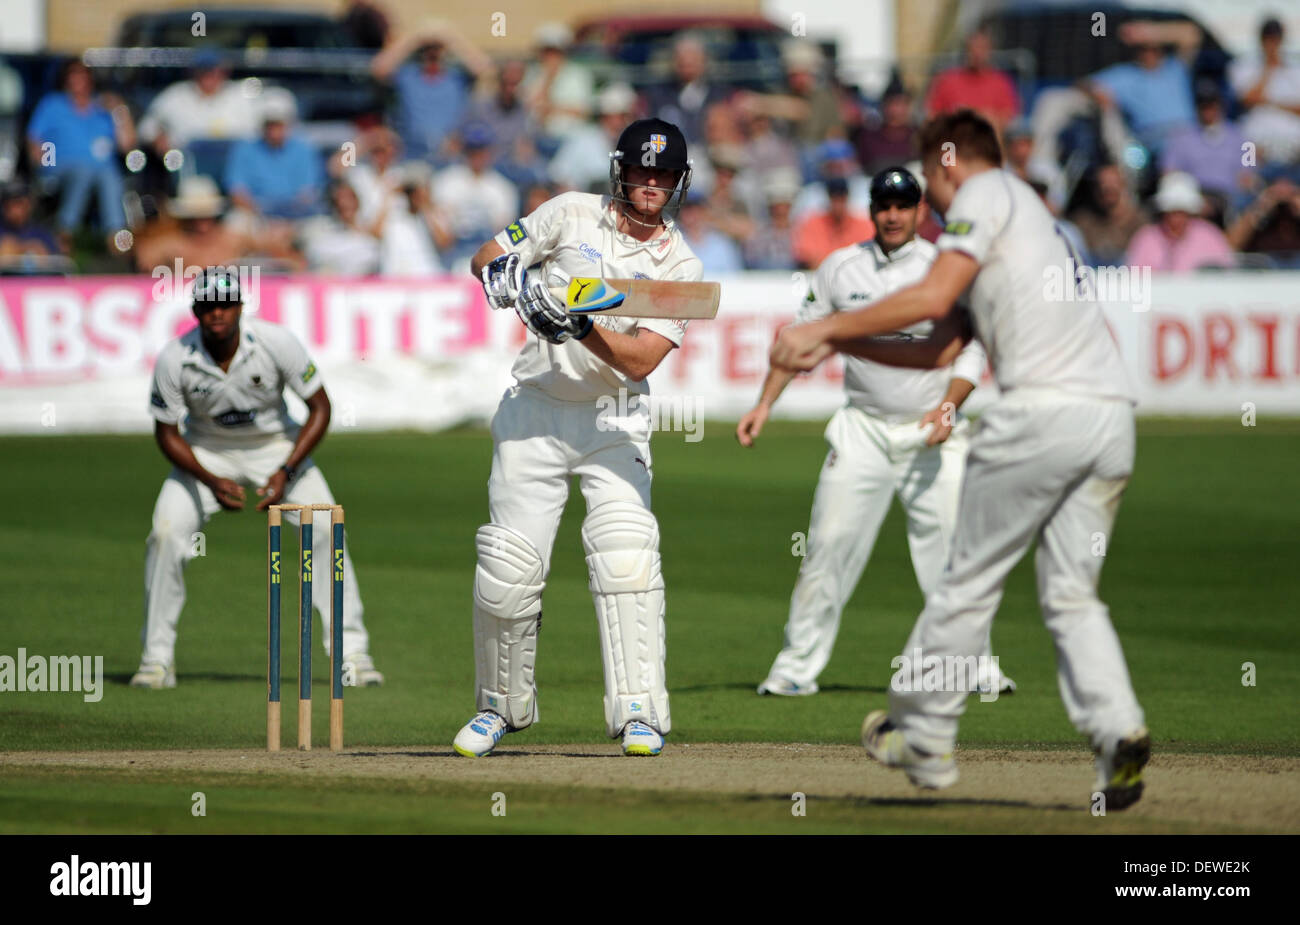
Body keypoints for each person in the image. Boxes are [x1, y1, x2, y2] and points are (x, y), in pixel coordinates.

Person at [770, 110, 1149, 810]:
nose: (928, 198)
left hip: (1040, 414)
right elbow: (936, 347)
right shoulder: (1034, 222)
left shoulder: (986, 192)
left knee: (964, 579)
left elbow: (932, 296)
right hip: (1109, 420)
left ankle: (924, 735)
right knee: (1069, 593)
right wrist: (838, 344)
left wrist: (824, 324)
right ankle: (1117, 731)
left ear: (948, 162)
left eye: (927, 179)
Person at [453, 118, 702, 758]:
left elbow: (642, 360)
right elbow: (486, 251)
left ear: (679, 181)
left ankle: (640, 714)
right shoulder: (569, 212)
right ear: (621, 169)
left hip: (614, 419)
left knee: (627, 556)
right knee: (509, 567)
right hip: (533, 411)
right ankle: (498, 710)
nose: (652, 183)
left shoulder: (681, 264)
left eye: (664, 173)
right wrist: (500, 277)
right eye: (643, 171)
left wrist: (576, 325)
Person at [740, 166, 1012, 698]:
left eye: (904, 206)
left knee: (953, 559)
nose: (893, 215)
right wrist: (764, 404)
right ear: (872, 211)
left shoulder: (944, 268)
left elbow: (974, 348)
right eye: (884, 206)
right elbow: (801, 339)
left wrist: (949, 409)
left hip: (933, 432)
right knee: (828, 548)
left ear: (920, 212)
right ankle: (795, 668)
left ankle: (975, 668)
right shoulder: (841, 268)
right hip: (861, 429)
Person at [132, 268, 383, 689]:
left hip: (277, 448)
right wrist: (211, 480)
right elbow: (166, 433)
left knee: (324, 529)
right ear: (195, 311)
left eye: (225, 304)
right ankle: (156, 661)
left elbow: (320, 408)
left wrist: (285, 471)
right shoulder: (176, 357)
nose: (217, 313)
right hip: (206, 453)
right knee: (166, 532)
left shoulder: (274, 342)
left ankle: (353, 655)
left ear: (240, 307)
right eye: (208, 306)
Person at [26, 59, 134, 241]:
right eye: (73, 75)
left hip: (102, 169)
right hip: (60, 166)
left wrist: (120, 111)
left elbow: (128, 145)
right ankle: (65, 231)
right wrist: (43, 163)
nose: (77, 80)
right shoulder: (52, 105)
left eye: (82, 75)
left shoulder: (103, 109)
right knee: (83, 171)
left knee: (110, 176)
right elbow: (34, 139)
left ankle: (116, 236)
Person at [370, 19, 494, 163]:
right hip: (411, 150)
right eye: (429, 48)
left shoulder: (455, 78)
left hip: (449, 152)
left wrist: (449, 37)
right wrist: (416, 38)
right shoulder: (409, 76)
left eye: (437, 48)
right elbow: (379, 69)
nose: (433, 53)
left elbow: (484, 68)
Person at [137, 52, 260, 154]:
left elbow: (257, 133)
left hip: (234, 166)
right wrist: (159, 139)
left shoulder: (240, 95)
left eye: (214, 70)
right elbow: (147, 128)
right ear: (194, 72)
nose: (209, 76)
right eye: (204, 71)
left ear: (224, 72)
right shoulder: (175, 95)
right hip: (189, 166)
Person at [1125, 172, 1234, 272]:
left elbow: (1226, 274)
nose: (1175, 219)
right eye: (1171, 211)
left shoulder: (1210, 237)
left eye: (1181, 212)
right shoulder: (1146, 238)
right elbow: (1136, 280)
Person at [1229, 17, 1300, 168]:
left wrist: (1269, 101)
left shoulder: (1295, 68)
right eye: (1268, 39)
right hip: (1256, 140)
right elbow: (1248, 100)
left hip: (1292, 143)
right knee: (1248, 176)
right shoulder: (1244, 65)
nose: (1272, 44)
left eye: (1275, 39)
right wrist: (1268, 68)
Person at [924, 26, 1020, 131]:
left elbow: (1009, 117)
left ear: (990, 51)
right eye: (973, 48)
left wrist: (982, 116)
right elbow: (932, 115)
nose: (977, 53)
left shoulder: (1001, 82)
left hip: (987, 137)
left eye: (982, 48)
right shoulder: (948, 80)